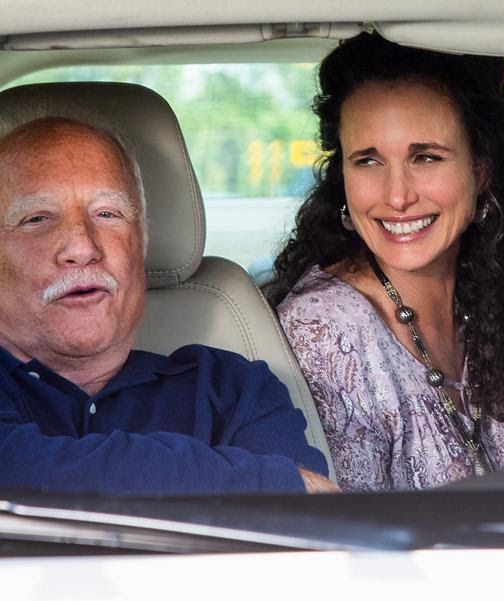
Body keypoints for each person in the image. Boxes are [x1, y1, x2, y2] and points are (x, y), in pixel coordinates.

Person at [267, 33, 504, 492]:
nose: (397, 196)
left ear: (480, 169)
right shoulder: (323, 332)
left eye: (426, 157)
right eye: (368, 161)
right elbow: (351, 525)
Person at [0, 116, 336, 494]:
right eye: (37, 219)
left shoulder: (234, 390)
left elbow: (296, 520)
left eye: (107, 214)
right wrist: (268, 479)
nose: (82, 247)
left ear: (141, 241)